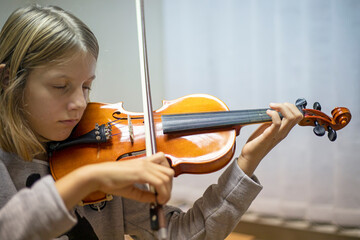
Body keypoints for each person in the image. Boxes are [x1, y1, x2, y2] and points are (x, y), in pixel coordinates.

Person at [0, 5, 303, 240]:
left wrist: (247, 162)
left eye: (86, 86)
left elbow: (185, 233)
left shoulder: (101, 153)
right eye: (60, 86)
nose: (79, 102)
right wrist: (88, 179)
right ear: (7, 79)